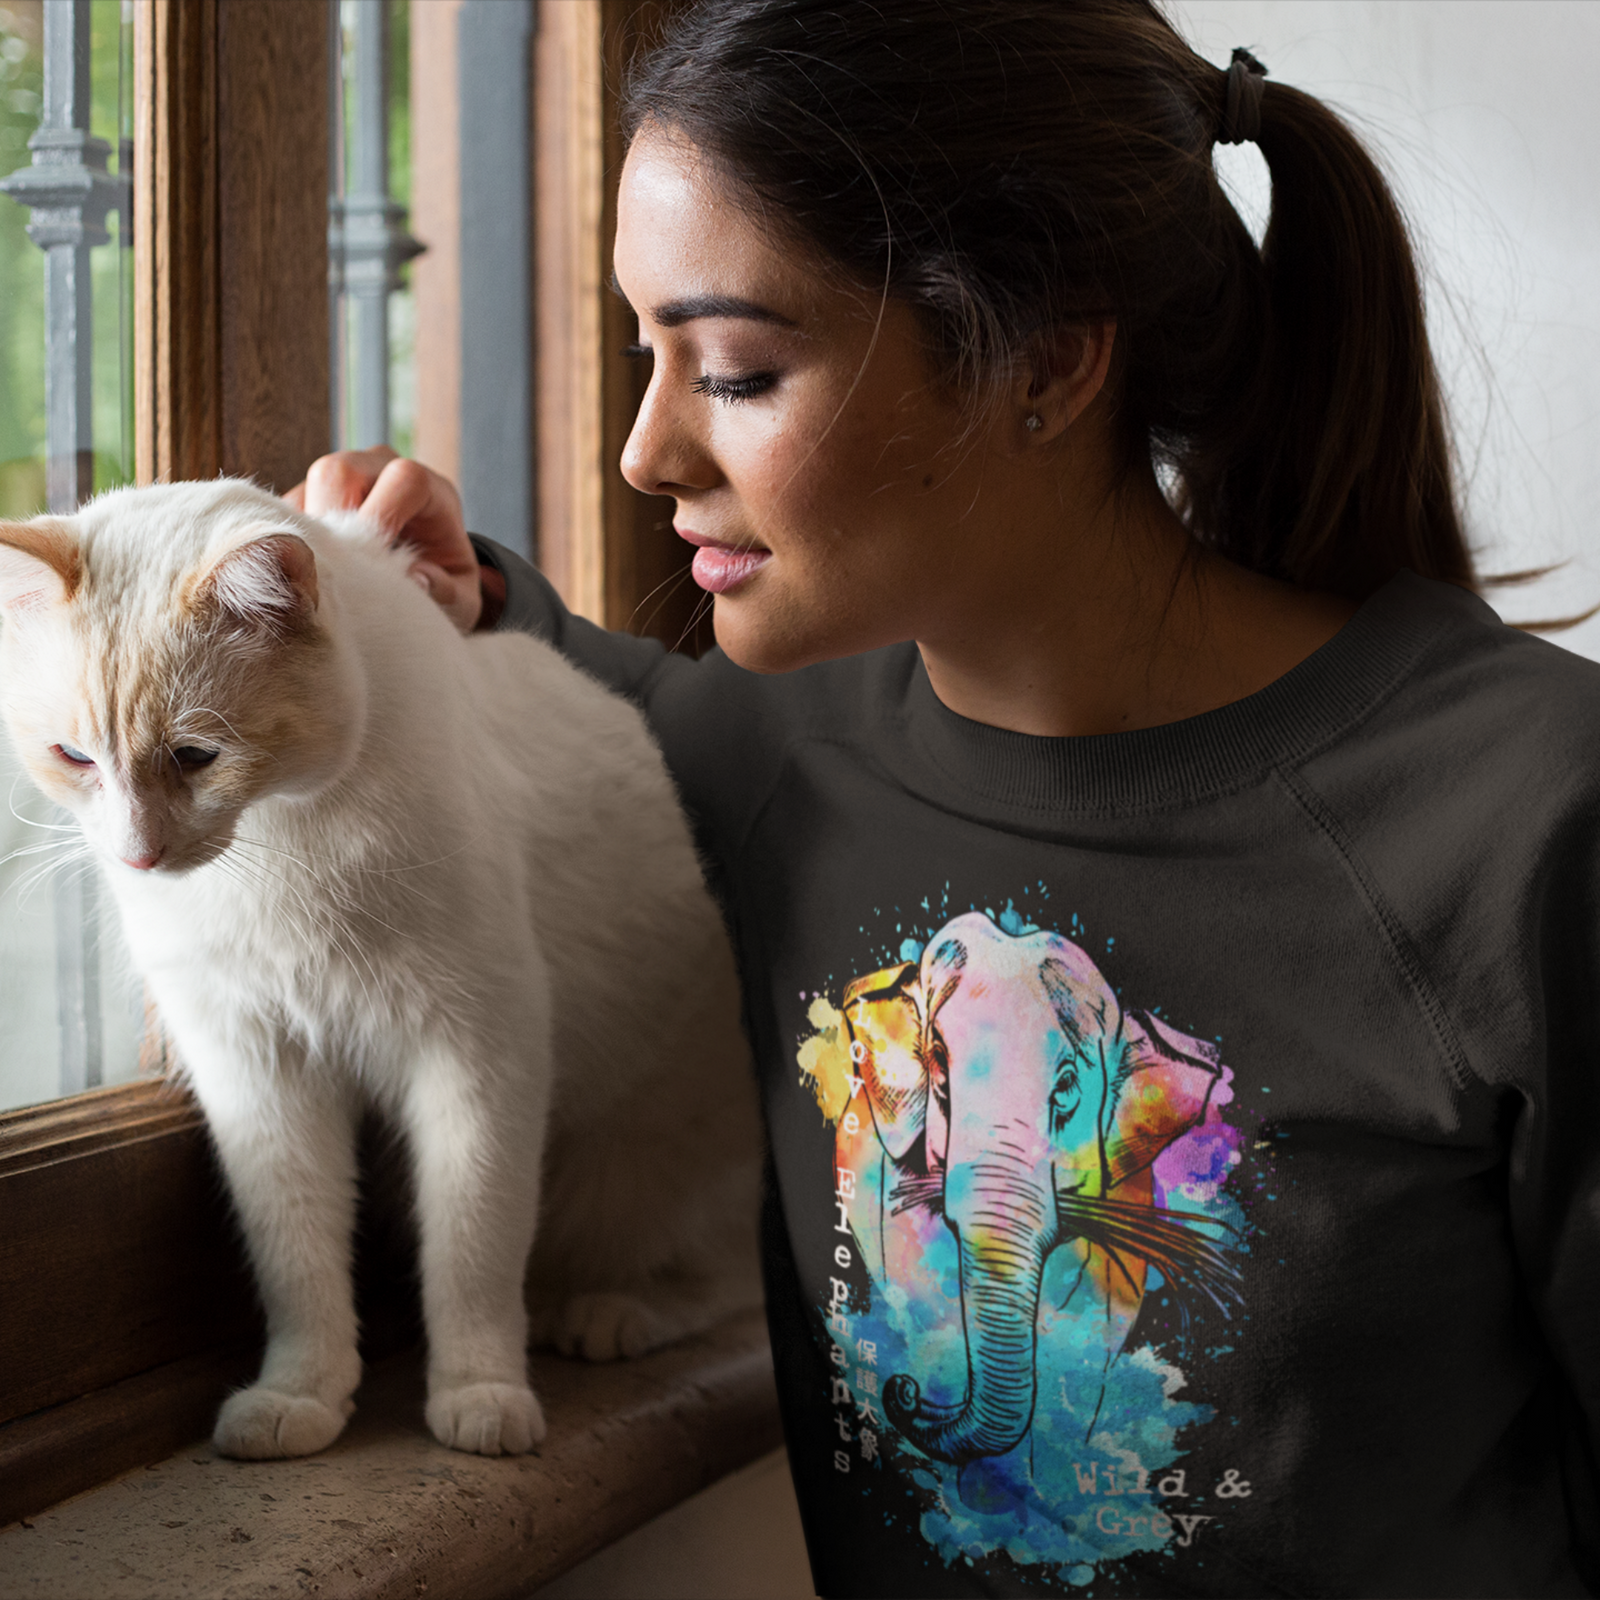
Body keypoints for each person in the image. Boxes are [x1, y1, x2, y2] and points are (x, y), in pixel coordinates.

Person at [292, 2, 1600, 1593]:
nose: (644, 452)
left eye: (736, 370)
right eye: (646, 355)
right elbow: (586, 689)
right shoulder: (773, 766)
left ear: (1044, 360)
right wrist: (444, 589)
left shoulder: (1533, 819)